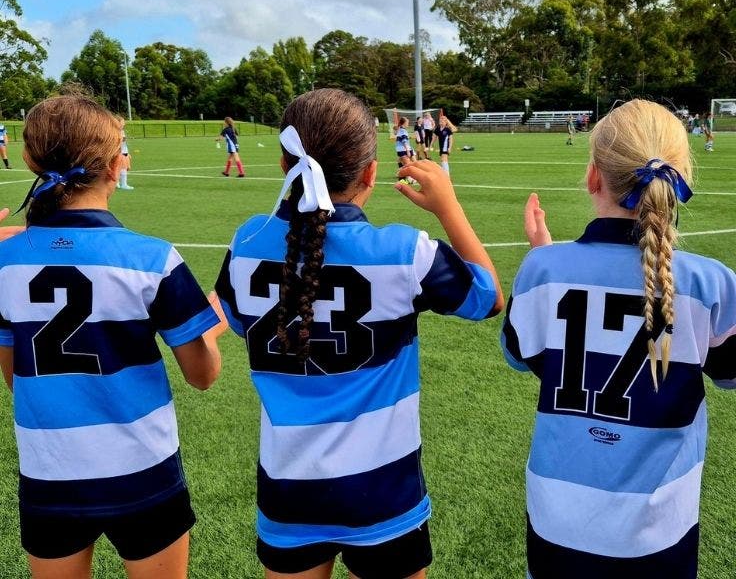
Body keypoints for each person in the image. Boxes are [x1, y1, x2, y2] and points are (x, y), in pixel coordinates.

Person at [215, 88, 504, 579]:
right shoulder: (404, 251)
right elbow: (488, 298)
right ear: (371, 172)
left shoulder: (247, 242)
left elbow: (241, 321)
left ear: (285, 162)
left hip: (289, 485)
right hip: (383, 487)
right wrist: (448, 208)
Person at [501, 99, 736, 579]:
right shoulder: (709, 284)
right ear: (680, 179)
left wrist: (545, 257)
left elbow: (521, 354)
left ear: (593, 177)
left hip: (557, 522)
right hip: (658, 531)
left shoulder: (543, 270)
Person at [0, 94, 228, 579]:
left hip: (50, 473)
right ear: (113, 164)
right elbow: (203, 376)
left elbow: (15, 377)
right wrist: (215, 326)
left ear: (29, 159)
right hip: (141, 469)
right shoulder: (151, 257)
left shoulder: (5, 262)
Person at [116, 115, 134, 190]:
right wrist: (124, 139)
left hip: (124, 152)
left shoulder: (122, 131)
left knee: (123, 168)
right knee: (122, 168)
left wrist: (128, 153)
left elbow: (124, 143)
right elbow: (118, 141)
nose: (124, 123)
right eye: (122, 122)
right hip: (119, 153)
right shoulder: (116, 131)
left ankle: (117, 183)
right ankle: (123, 184)